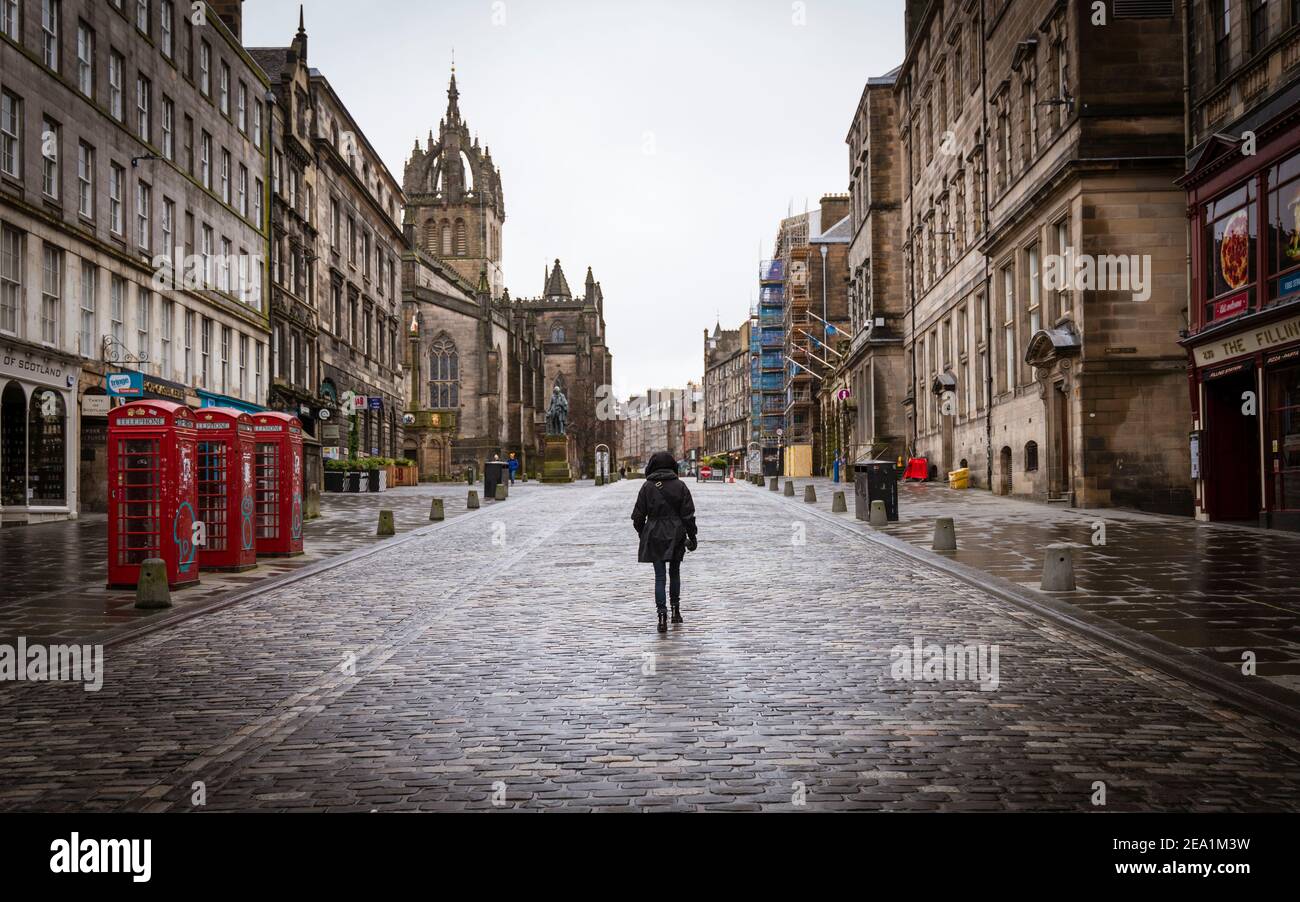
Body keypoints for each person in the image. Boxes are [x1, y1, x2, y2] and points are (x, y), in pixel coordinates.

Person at [631, 450, 698, 633]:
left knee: (660, 576)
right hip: (676, 533)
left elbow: (637, 517)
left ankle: (662, 616)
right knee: (674, 573)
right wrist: (692, 536)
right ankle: (676, 611)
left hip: (654, 534)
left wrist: (643, 533)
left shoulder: (647, 487)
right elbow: (688, 515)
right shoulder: (681, 486)